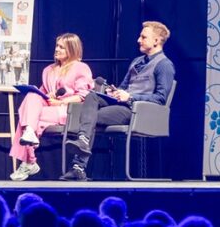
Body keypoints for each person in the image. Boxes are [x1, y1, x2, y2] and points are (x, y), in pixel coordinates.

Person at [60, 21, 175, 181]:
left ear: (156, 41)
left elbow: (161, 99)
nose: (138, 40)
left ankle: (78, 166)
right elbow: (124, 87)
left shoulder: (164, 65)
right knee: (92, 95)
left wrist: (131, 97)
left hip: (137, 111)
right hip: (122, 103)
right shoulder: (136, 62)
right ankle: (83, 142)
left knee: (90, 117)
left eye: (143, 37)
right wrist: (114, 92)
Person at [9, 33, 93, 181]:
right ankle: (29, 133)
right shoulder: (48, 70)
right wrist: (42, 94)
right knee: (32, 97)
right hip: (49, 108)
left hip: (69, 111)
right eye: (57, 46)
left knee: (29, 117)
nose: (57, 49)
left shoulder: (80, 68)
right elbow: (43, 94)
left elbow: (84, 96)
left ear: (72, 50)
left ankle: (29, 161)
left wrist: (60, 102)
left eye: (62, 47)